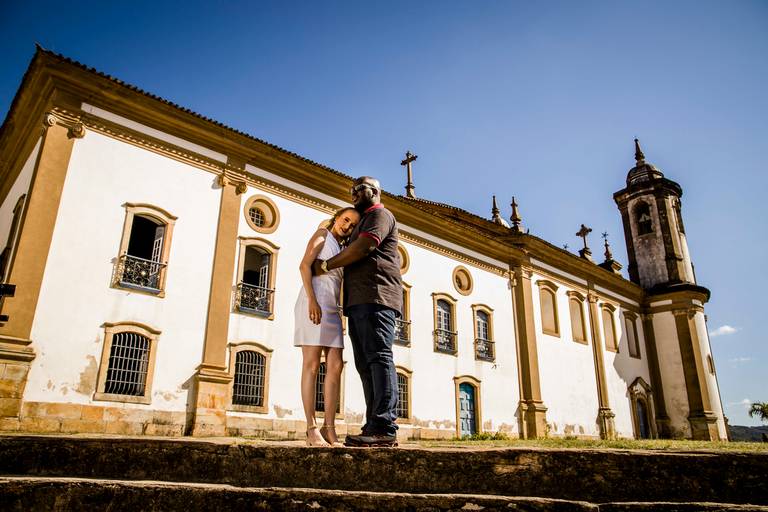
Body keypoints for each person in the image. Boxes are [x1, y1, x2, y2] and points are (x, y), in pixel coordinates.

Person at [312, 176, 402, 447]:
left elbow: (365, 247)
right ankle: (373, 424)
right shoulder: (362, 221)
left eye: (359, 189)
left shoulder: (380, 215)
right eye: (351, 190)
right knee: (365, 364)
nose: (353, 194)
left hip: (377, 297)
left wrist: (326, 265)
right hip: (359, 302)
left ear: (374, 191)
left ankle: (385, 427)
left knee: (378, 357)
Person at [295, 207, 360, 446]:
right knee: (311, 366)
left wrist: (341, 313)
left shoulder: (344, 250)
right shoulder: (322, 235)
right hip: (313, 303)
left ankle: (329, 427)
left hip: (332, 309)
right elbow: (304, 266)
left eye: (353, 225)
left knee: (335, 366)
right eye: (345, 220)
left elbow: (339, 284)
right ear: (336, 218)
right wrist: (312, 299)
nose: (347, 226)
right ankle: (311, 429)